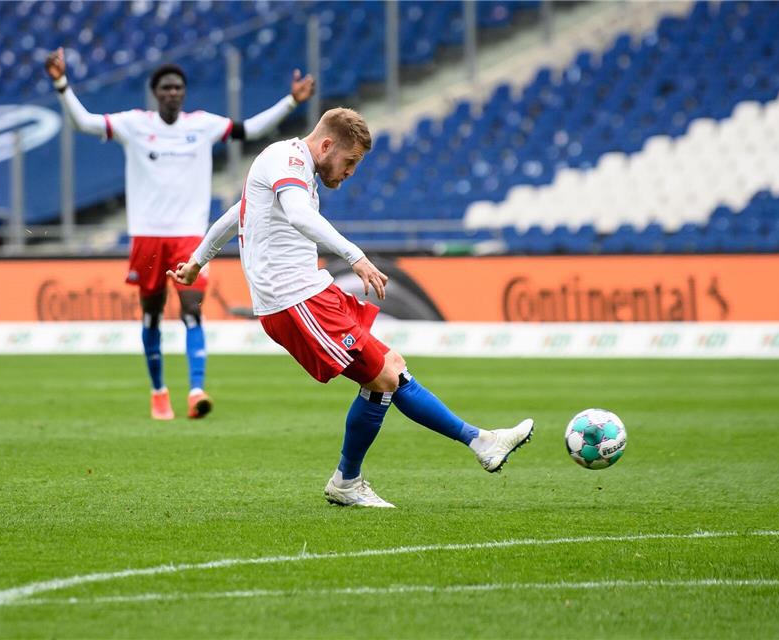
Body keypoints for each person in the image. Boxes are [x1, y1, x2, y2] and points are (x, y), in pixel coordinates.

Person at [169, 108, 534, 508]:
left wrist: (198, 261)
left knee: (389, 368)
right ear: (326, 145)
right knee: (384, 376)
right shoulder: (287, 162)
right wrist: (355, 256)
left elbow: (234, 214)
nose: (350, 172)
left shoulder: (291, 166)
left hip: (310, 292)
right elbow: (298, 215)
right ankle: (473, 444)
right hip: (294, 300)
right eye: (350, 161)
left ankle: (367, 474)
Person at [44, 48, 314, 421]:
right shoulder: (134, 124)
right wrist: (61, 84)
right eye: (166, 87)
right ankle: (158, 392)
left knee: (192, 313)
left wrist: (290, 101)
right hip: (148, 237)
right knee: (152, 317)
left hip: (190, 238)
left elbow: (249, 129)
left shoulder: (201, 125)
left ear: (184, 94)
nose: (173, 92)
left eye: (178, 87)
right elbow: (84, 123)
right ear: (156, 93)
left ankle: (196, 390)